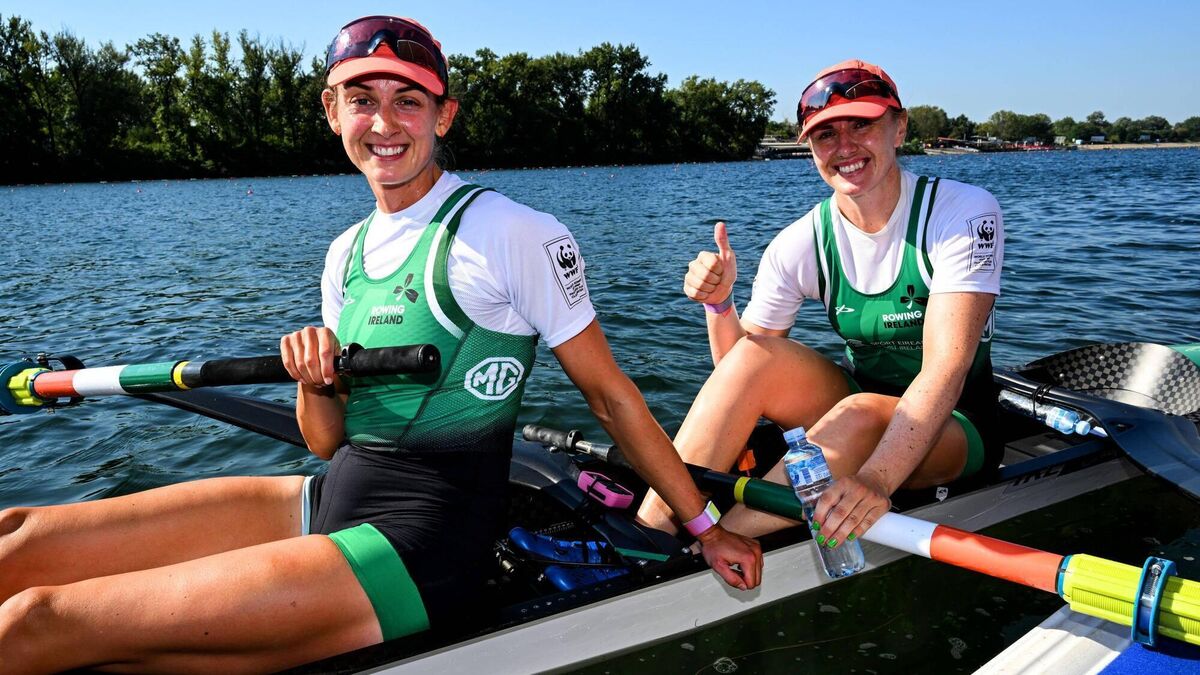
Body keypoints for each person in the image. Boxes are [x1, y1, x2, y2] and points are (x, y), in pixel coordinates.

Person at [0, 16, 760, 671]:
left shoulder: (511, 232)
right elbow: (325, 440)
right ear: (332, 111)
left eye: (408, 101)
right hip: (336, 494)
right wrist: (314, 380)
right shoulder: (345, 253)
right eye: (362, 100)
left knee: (37, 621)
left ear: (444, 116)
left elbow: (610, 396)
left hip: (426, 544)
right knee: (16, 539)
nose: (385, 123)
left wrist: (704, 525)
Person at [638, 59, 1004, 553]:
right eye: (826, 134)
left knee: (857, 415)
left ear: (899, 128)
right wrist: (720, 306)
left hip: (957, 423)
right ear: (810, 149)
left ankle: (704, 551)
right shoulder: (800, 241)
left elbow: (946, 368)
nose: (845, 147)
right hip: (861, 399)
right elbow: (738, 377)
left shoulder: (962, 212)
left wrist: (875, 480)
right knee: (759, 355)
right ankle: (648, 536)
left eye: (861, 125)